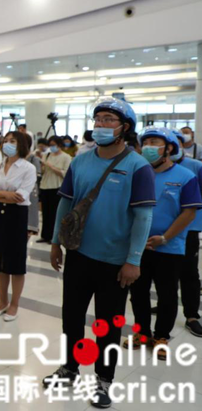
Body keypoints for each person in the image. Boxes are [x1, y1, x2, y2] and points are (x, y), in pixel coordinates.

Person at [43, 98, 155, 409]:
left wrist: (133, 260)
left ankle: (104, 381)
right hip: (79, 254)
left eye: (108, 119)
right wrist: (55, 242)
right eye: (98, 119)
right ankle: (70, 367)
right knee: (72, 317)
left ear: (124, 128)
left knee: (108, 324)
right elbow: (65, 204)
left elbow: (143, 217)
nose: (101, 125)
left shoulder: (138, 167)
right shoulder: (80, 161)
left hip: (115, 262)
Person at [125, 127, 200, 360]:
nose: (148, 145)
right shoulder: (138, 174)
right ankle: (142, 332)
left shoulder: (185, 177)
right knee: (137, 291)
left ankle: (161, 336)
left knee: (167, 294)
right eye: (145, 141)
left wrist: (165, 237)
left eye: (154, 141)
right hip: (139, 244)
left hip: (169, 246)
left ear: (168, 148)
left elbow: (188, 213)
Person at [0, 131, 37, 322]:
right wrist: (4, 195)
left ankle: (14, 304)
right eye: (5, 141)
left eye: (12, 141)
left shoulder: (28, 167)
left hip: (17, 216)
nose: (7, 144)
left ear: (21, 144)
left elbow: (21, 196)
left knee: (16, 262)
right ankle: (2, 301)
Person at [169, 129, 202, 337]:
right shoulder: (151, 168)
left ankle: (192, 315)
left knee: (189, 272)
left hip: (189, 228)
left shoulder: (195, 166)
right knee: (165, 273)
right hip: (162, 229)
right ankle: (166, 308)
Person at [38, 136, 72, 244]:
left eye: (54, 145)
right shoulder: (47, 155)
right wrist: (43, 166)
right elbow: (43, 172)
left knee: (54, 213)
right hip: (45, 186)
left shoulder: (66, 157)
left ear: (59, 145)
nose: (52, 147)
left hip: (57, 187)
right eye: (50, 145)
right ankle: (45, 235)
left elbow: (65, 174)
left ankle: (54, 237)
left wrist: (50, 166)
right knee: (45, 213)